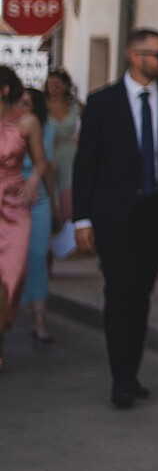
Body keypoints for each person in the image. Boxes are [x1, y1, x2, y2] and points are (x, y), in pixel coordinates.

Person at [71, 30, 158, 407]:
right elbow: (86, 166)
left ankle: (130, 371)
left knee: (141, 293)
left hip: (157, 213)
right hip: (114, 214)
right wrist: (81, 220)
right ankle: (122, 380)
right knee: (119, 291)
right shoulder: (103, 102)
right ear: (135, 56)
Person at [1, 67, 57, 372]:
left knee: (22, 267)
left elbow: (42, 163)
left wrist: (38, 182)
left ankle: (31, 317)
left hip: (23, 202)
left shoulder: (30, 123)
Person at [19, 86, 59, 346]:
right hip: (9, 195)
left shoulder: (48, 129)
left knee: (37, 256)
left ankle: (40, 320)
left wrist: (55, 205)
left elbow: (47, 168)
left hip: (39, 197)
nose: (25, 107)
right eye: (21, 102)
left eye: (30, 102)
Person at [44, 68, 80, 226]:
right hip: (47, 152)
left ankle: (67, 236)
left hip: (69, 153)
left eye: (57, 84)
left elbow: (94, 120)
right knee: (48, 191)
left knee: (69, 192)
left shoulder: (75, 105)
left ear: (66, 85)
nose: (52, 87)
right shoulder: (41, 105)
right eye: (50, 83)